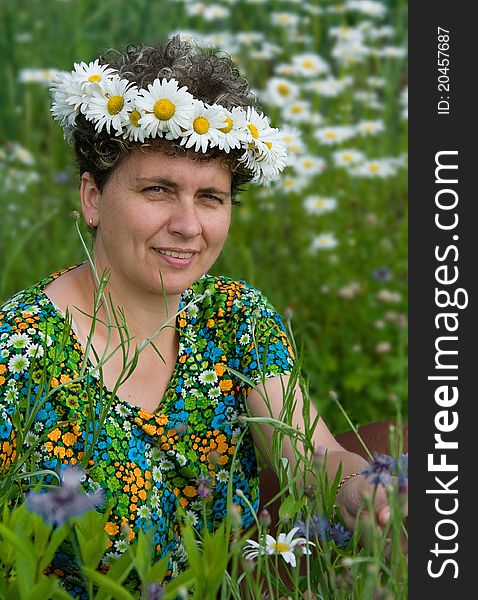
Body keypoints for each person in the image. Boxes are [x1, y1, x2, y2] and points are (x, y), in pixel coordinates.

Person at [0, 36, 403, 593]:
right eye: (159, 190)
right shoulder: (18, 352)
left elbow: (311, 453)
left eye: (211, 198)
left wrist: (357, 487)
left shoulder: (232, 316)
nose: (189, 225)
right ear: (92, 198)